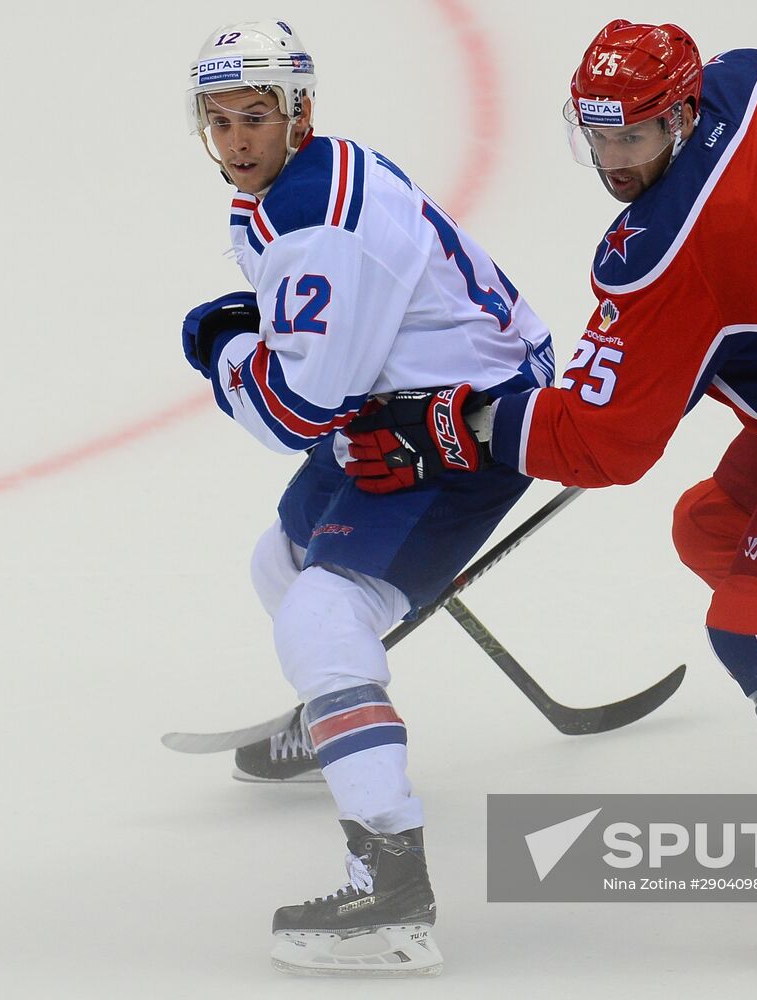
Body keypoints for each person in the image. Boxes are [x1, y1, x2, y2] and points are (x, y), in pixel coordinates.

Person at [343, 20, 757, 968]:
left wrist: (458, 422)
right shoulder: (752, 82)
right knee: (714, 525)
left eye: (634, 135)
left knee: (755, 622)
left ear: (683, 114)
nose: (613, 160)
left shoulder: (661, 252)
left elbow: (602, 442)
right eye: (597, 135)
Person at [180, 19, 556, 977]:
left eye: (255, 117)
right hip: (404, 399)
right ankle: (339, 722)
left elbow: (294, 412)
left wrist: (222, 347)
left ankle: (391, 886)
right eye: (218, 120)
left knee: (322, 612)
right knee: (280, 563)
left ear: (299, 112)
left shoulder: (316, 221)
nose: (235, 140)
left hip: (464, 427)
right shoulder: (310, 177)